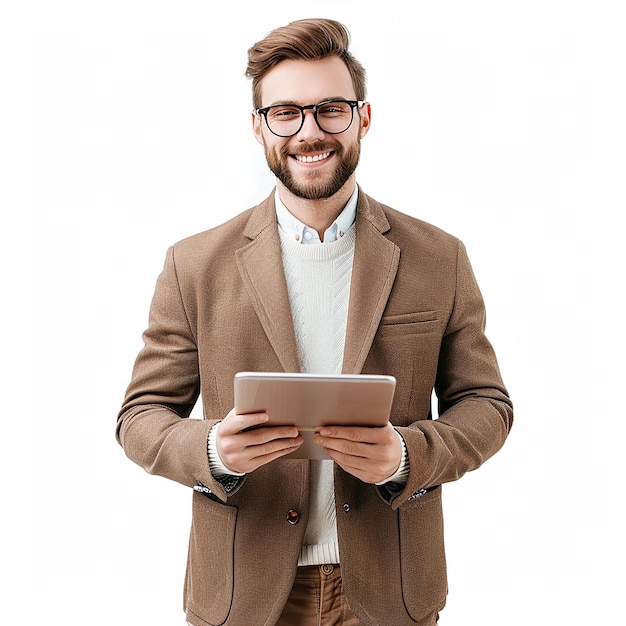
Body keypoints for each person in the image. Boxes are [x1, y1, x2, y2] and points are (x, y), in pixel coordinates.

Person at [116, 17, 513, 626]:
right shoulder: (193, 264)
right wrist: (213, 450)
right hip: (242, 592)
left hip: (390, 590)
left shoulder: (439, 258)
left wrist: (408, 455)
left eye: (331, 109)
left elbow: (486, 405)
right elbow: (140, 418)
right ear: (259, 128)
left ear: (363, 118)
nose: (310, 131)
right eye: (286, 113)